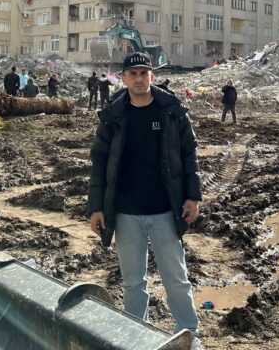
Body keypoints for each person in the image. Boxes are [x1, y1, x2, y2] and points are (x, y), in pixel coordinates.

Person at [87, 52, 203, 347]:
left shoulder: (172, 111)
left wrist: (192, 195)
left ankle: (189, 332)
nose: (138, 79)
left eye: (143, 73)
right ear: (123, 78)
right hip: (125, 214)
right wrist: (96, 207)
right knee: (133, 282)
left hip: (165, 210)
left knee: (176, 278)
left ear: (152, 76)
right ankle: (137, 333)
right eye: (132, 74)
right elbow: (100, 162)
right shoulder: (113, 115)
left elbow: (190, 154)